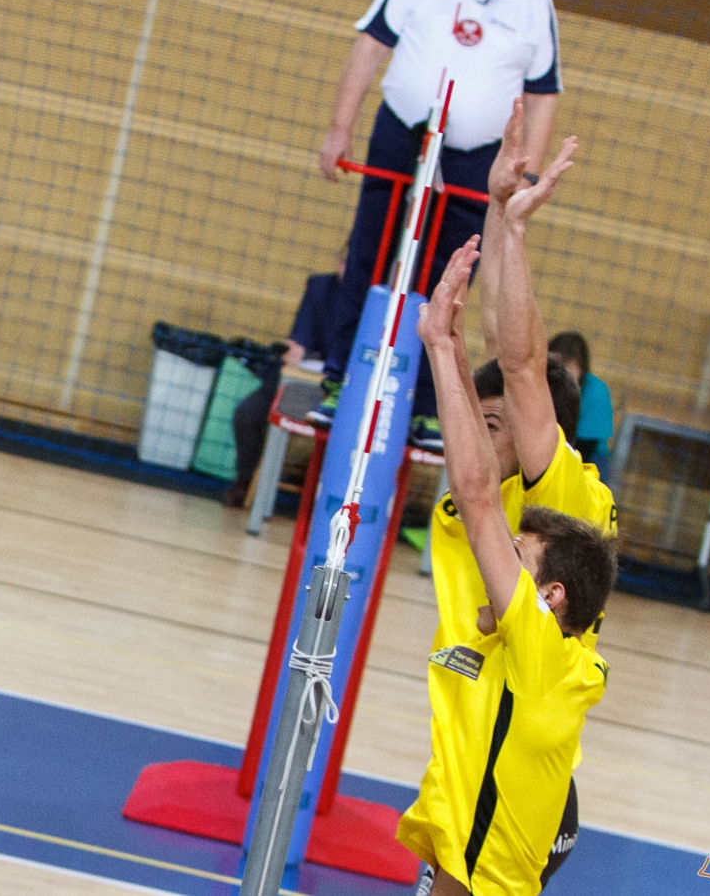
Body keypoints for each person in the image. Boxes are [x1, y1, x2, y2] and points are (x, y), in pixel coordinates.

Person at [397, 108, 617, 894]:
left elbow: (521, 363)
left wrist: (511, 231)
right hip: (465, 754)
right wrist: (492, 209)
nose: (479, 437)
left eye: (496, 426)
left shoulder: (563, 501)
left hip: (510, 776)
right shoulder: (471, 511)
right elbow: (494, 363)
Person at [312, 0, 562, 447]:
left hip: (476, 158)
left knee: (450, 280)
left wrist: (526, 171)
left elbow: (543, 94)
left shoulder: (534, 3)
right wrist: (339, 127)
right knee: (369, 256)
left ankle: (427, 407)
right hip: (402, 133)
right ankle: (339, 382)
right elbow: (370, 47)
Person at [221, 246, 352, 508]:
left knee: (342, 436)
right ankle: (245, 480)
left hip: (345, 394)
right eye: (344, 262)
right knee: (248, 413)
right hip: (305, 384)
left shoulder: (374, 301)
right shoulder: (319, 288)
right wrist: (294, 349)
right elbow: (300, 337)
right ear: (339, 259)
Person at [547, 332, 614, 471]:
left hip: (587, 457)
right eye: (556, 366)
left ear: (582, 367)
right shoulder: (542, 383)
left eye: (568, 368)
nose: (560, 374)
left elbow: (586, 449)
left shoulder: (596, 391)